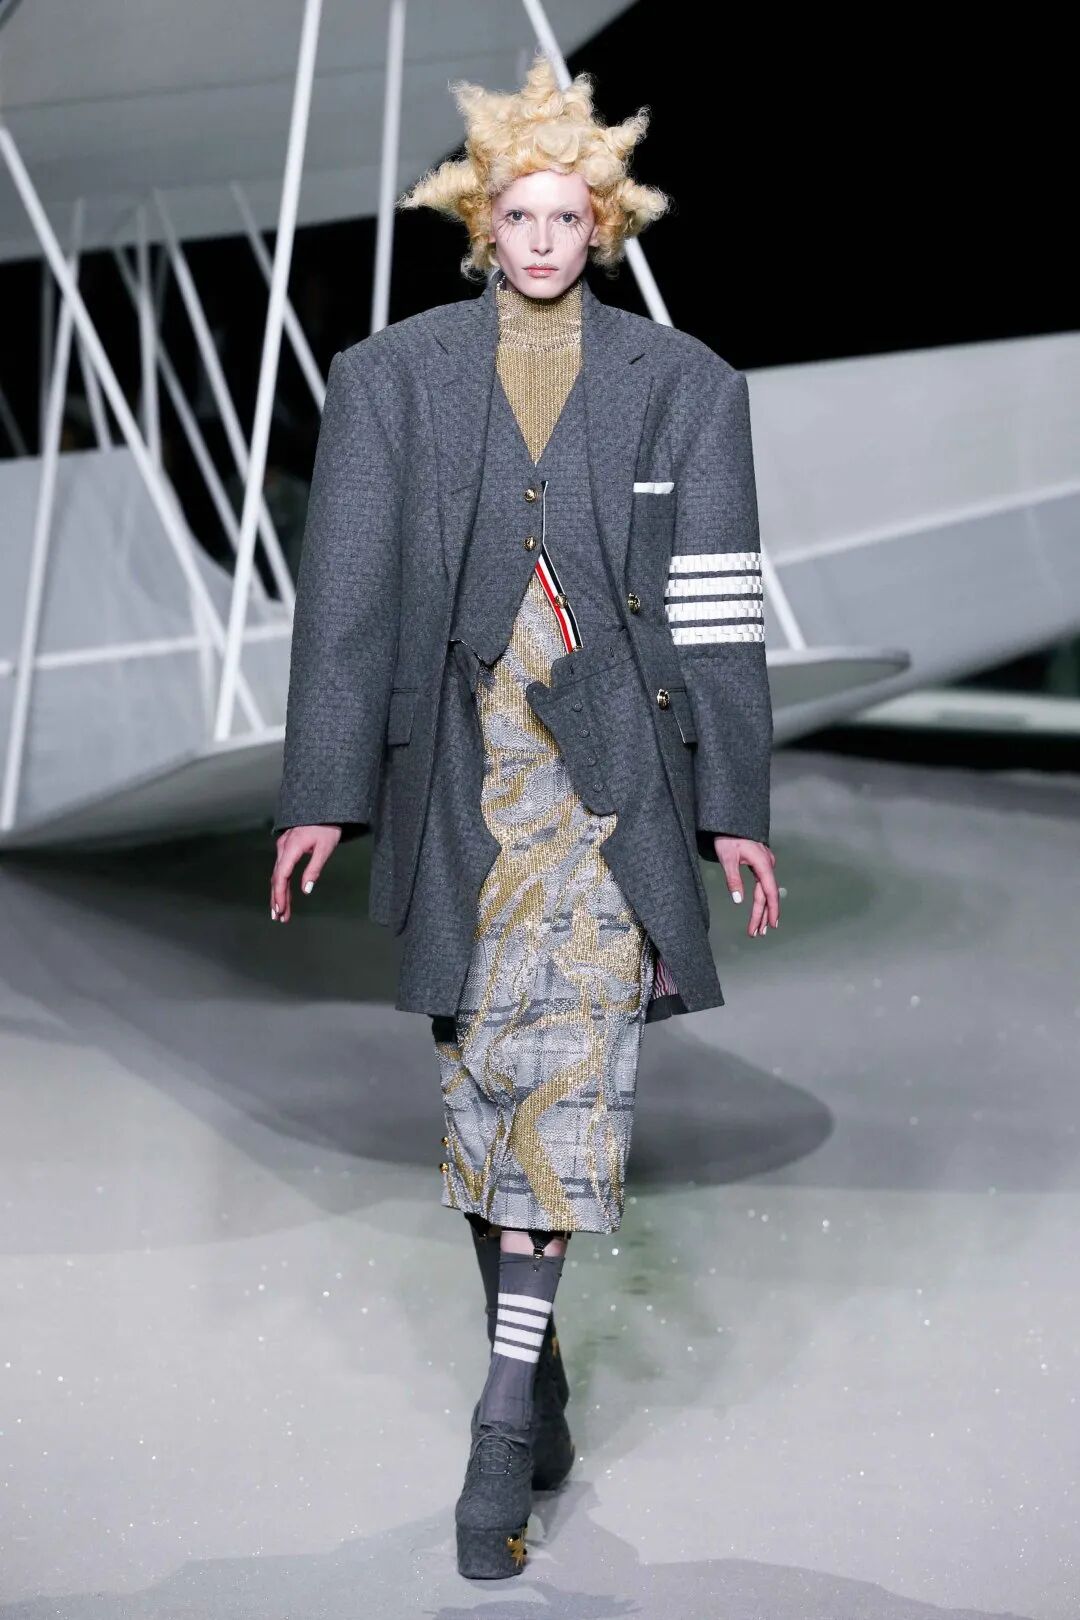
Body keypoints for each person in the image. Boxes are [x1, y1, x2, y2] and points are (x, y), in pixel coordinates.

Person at [269, 52, 780, 1580]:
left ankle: (500, 1420)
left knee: (566, 1072)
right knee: (483, 1077)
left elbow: (717, 613)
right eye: (520, 214)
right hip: (463, 781)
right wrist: (321, 793)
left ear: (601, 225)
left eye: (569, 216)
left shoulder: (686, 387)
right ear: (480, 221)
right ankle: (536, 1359)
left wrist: (735, 806)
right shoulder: (392, 380)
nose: (544, 239)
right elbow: (346, 602)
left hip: (616, 786)